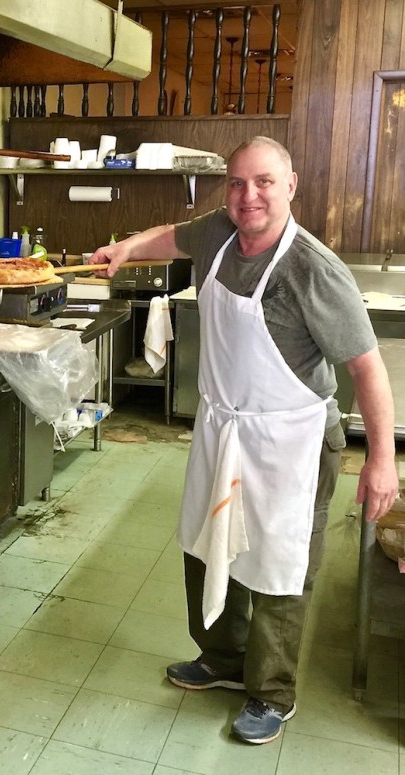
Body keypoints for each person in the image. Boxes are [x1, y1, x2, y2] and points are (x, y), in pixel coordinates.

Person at [89, 136, 399, 745]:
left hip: (292, 440)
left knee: (279, 565)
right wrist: (125, 249)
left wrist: (382, 461)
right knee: (208, 544)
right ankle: (224, 660)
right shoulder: (217, 232)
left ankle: (271, 693)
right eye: (236, 183)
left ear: (290, 186)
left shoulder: (312, 267)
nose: (248, 195)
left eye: (263, 182)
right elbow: (173, 235)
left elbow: (367, 366)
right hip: (222, 427)